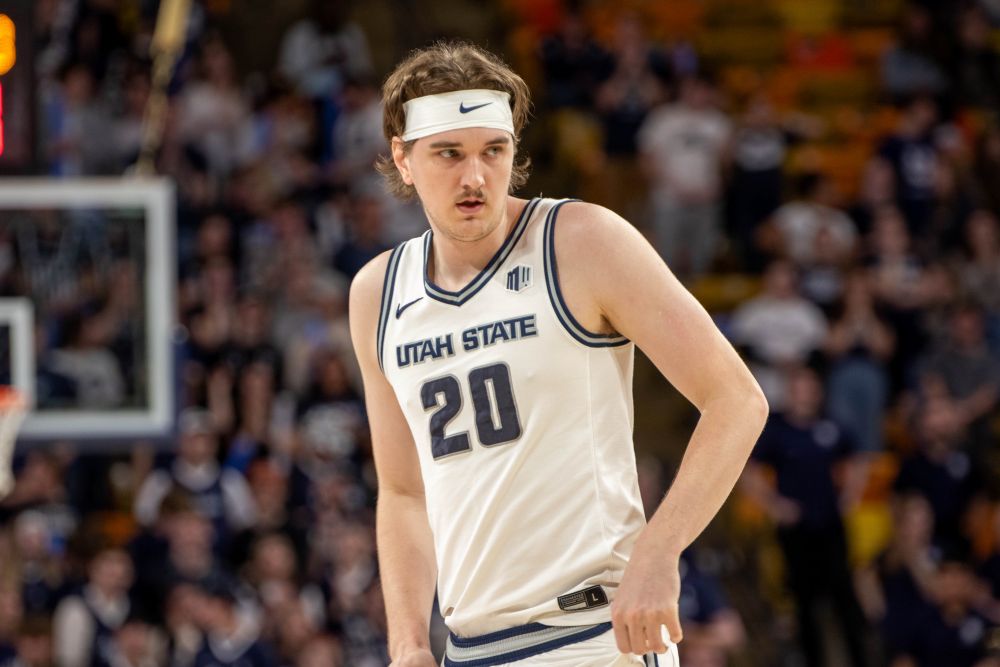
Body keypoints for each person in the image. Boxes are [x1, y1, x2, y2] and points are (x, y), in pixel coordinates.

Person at [347, 41, 768, 667]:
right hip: (471, 649)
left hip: (598, 633)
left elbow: (736, 399)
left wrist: (660, 551)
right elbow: (404, 492)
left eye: (494, 150)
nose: (474, 177)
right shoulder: (377, 294)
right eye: (449, 153)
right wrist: (408, 644)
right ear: (403, 159)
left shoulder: (581, 241)